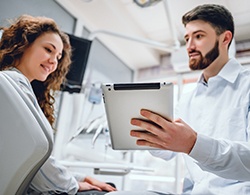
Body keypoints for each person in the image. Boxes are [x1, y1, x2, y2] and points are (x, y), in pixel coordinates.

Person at [129, 3, 250, 195]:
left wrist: (193, 144)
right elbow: (167, 152)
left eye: (199, 36)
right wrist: (148, 133)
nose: (190, 46)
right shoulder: (187, 99)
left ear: (225, 38)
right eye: (187, 38)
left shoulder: (247, 86)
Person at [0, 14, 116, 194]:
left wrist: (80, 178)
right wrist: (74, 184)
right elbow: (38, 165)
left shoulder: (17, 87)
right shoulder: (12, 82)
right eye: (48, 49)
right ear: (23, 44)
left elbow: (36, 163)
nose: (54, 61)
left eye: (59, 56)